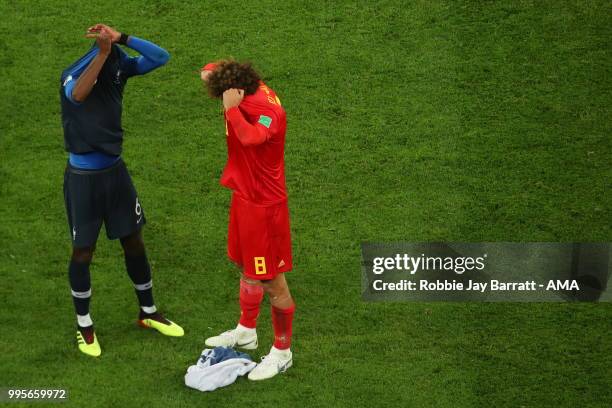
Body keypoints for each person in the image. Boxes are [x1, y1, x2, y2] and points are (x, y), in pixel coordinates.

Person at [60, 24, 183, 357]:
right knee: (83, 251)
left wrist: (123, 39)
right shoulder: (73, 74)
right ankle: (84, 325)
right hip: (83, 181)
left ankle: (148, 312)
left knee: (134, 240)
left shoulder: (118, 64)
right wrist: (101, 53)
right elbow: (79, 95)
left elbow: (161, 57)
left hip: (116, 175)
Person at [200, 60, 295, 380]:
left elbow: (253, 138)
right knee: (244, 265)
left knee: (272, 282)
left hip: (265, 208)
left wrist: (230, 110)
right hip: (244, 197)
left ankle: (283, 351)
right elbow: (209, 69)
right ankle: (247, 331)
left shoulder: (267, 110)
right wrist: (215, 78)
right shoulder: (247, 87)